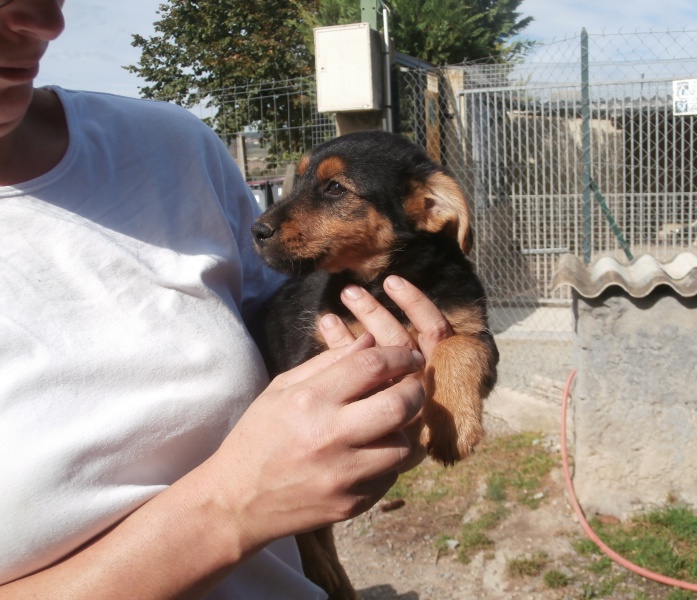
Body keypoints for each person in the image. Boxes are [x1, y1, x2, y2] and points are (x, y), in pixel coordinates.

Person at [0, 1, 453, 597]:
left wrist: (385, 407)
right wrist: (236, 507)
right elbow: (259, 480)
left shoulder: (169, 146)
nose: (44, 23)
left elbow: (288, 351)